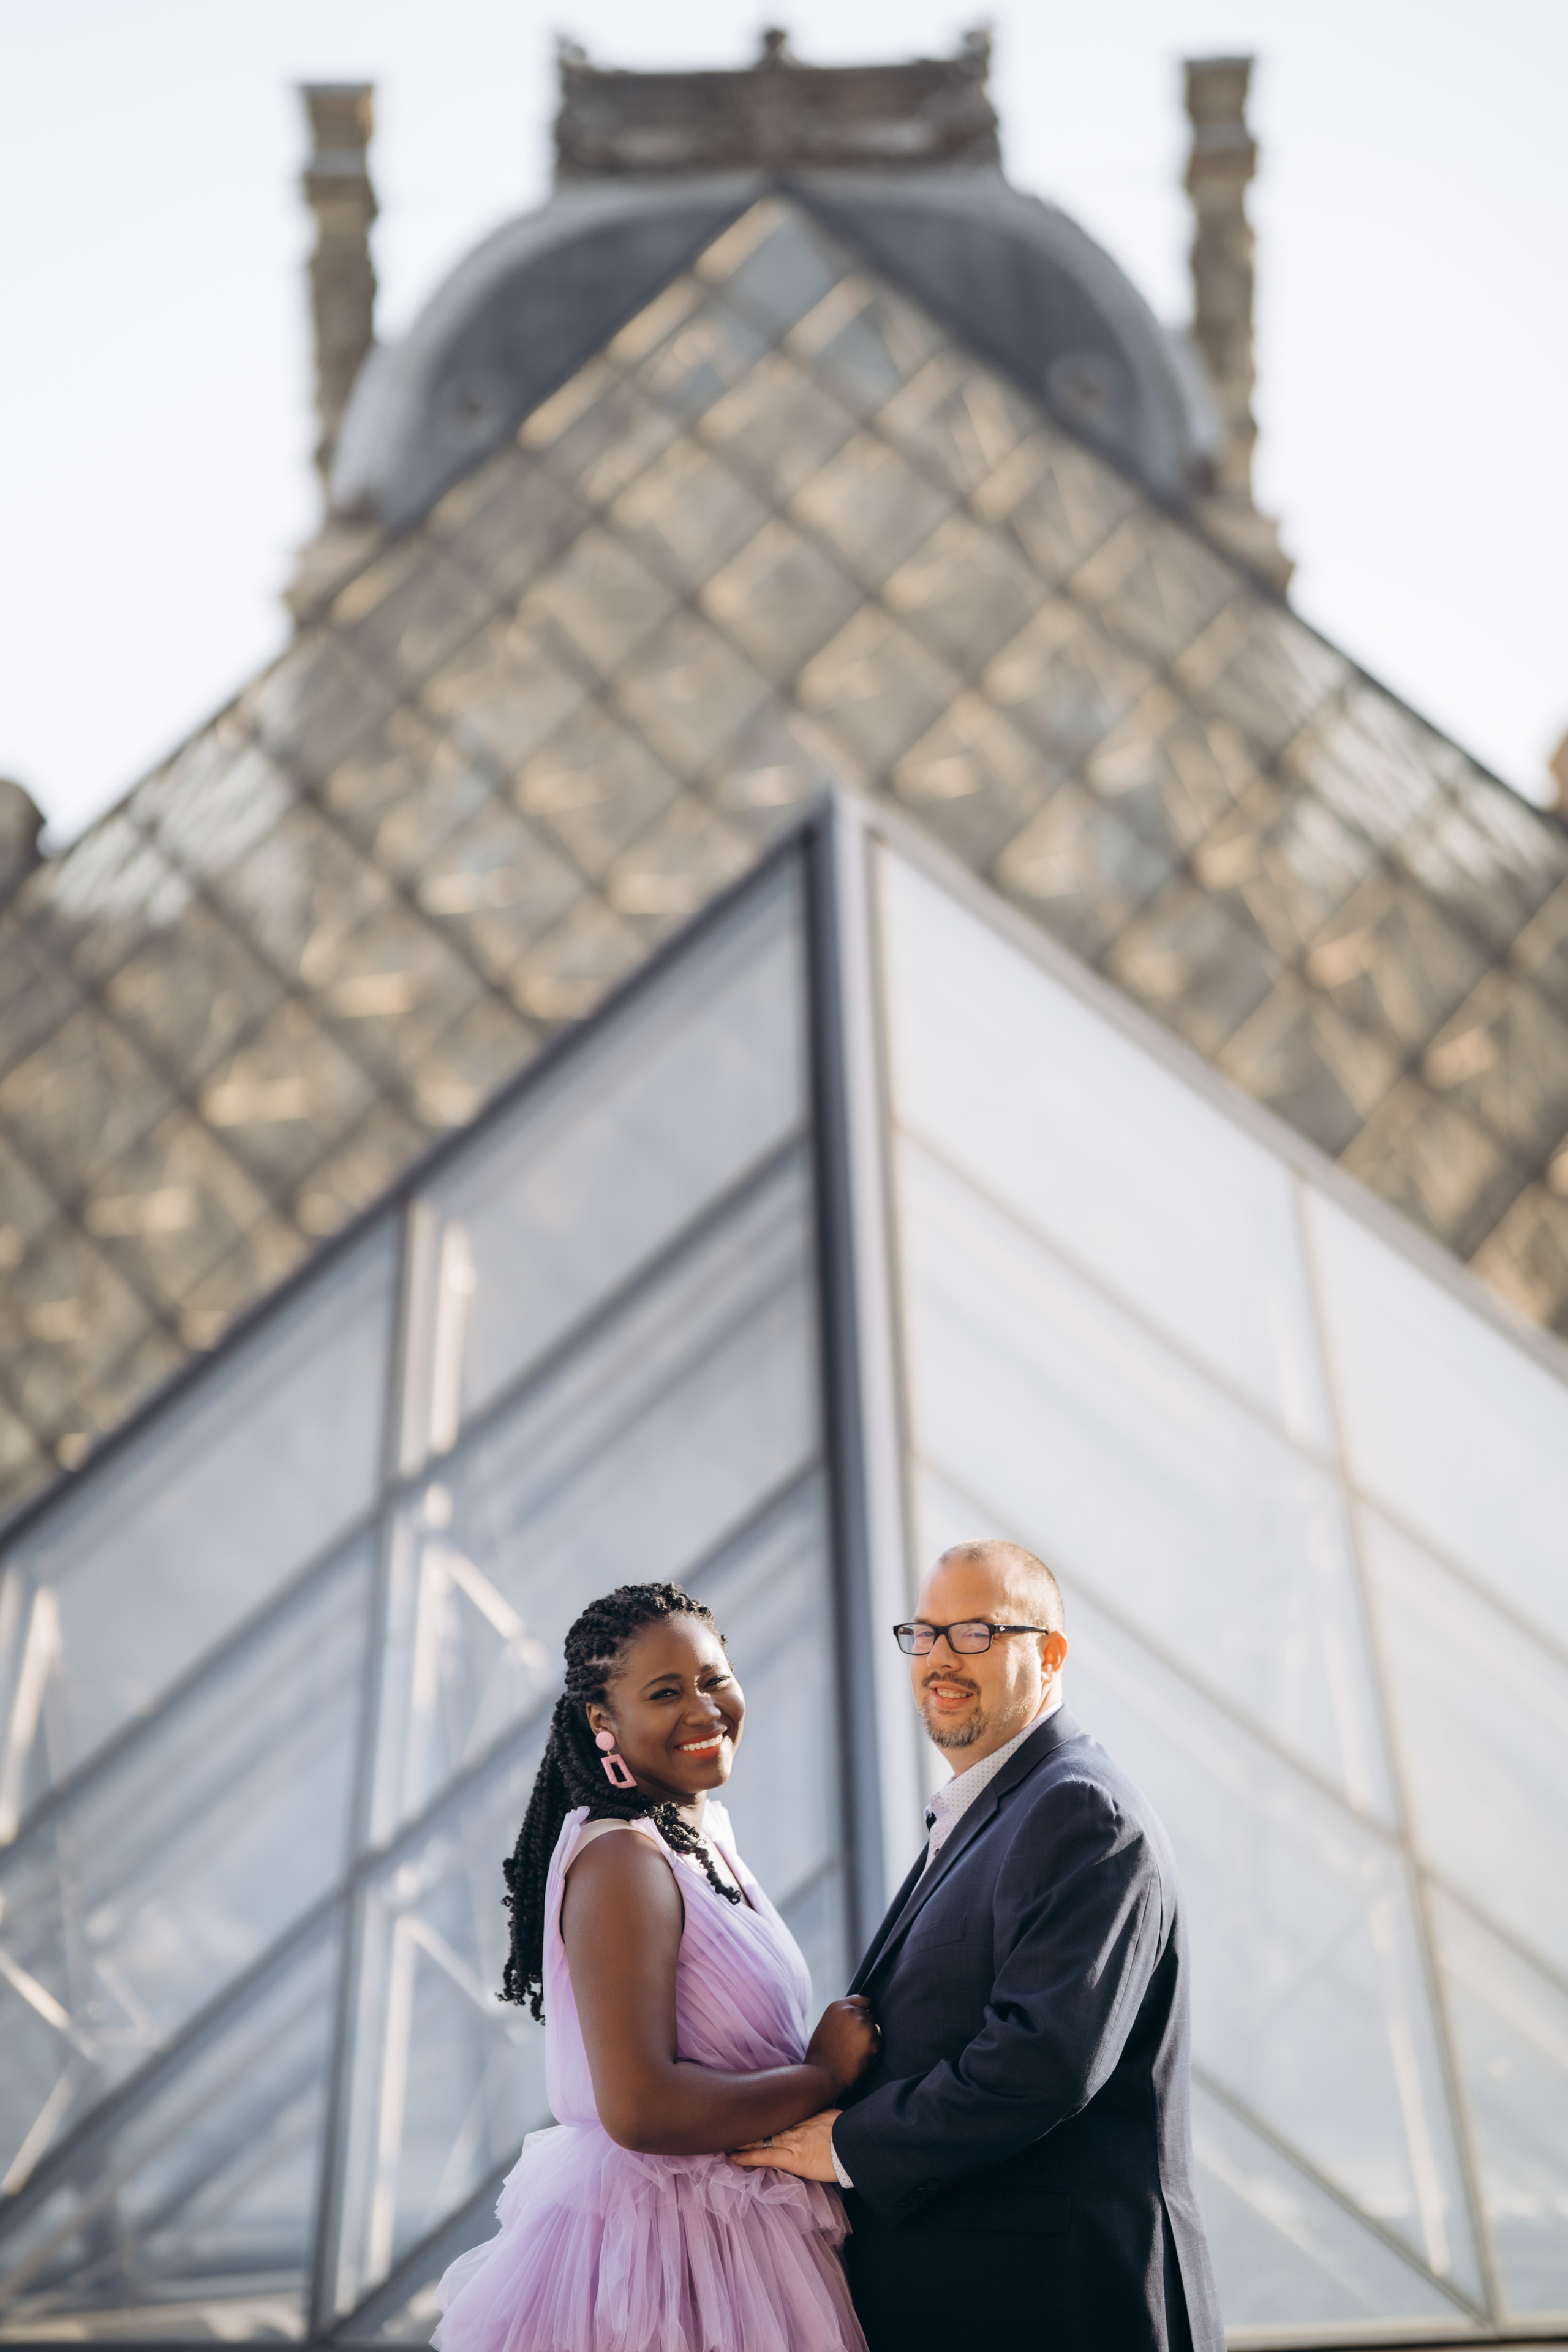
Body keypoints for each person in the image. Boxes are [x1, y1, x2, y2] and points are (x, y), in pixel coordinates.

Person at [734, 1538, 1224, 2352]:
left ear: (1052, 1654)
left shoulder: (1079, 1813)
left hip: (1056, 2309)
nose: (939, 1659)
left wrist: (849, 2144)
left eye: (977, 1633)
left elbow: (1041, 2061)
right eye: (924, 1634)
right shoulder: (995, 1811)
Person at [432, 1580, 875, 2352]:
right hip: (669, 2262)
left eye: (714, 1680)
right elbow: (640, 2109)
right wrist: (824, 2078)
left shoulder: (696, 1840)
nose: (704, 1711)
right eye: (666, 1692)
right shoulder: (624, 1865)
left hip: (734, 2237)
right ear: (603, 1720)